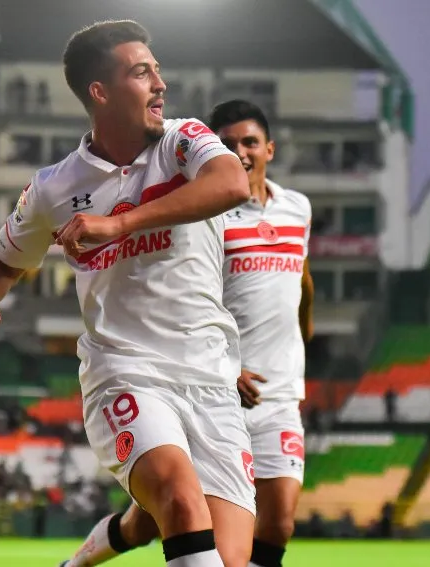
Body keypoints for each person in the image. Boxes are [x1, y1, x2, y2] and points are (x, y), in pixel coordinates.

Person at [0, 20, 254, 567]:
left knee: (227, 558)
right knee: (181, 502)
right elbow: (0, 261)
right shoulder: (53, 187)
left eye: (157, 70)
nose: (160, 83)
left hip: (211, 377)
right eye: (141, 72)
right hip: (126, 372)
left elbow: (232, 184)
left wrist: (121, 223)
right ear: (100, 91)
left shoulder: (184, 140)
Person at [60, 100, 315, 567]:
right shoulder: (203, 214)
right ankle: (77, 562)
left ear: (270, 149)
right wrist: (228, 365)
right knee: (151, 521)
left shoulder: (297, 208)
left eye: (250, 142)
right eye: (228, 143)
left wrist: (305, 332)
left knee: (278, 522)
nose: (240, 151)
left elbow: (302, 277)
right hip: (214, 383)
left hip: (279, 392)